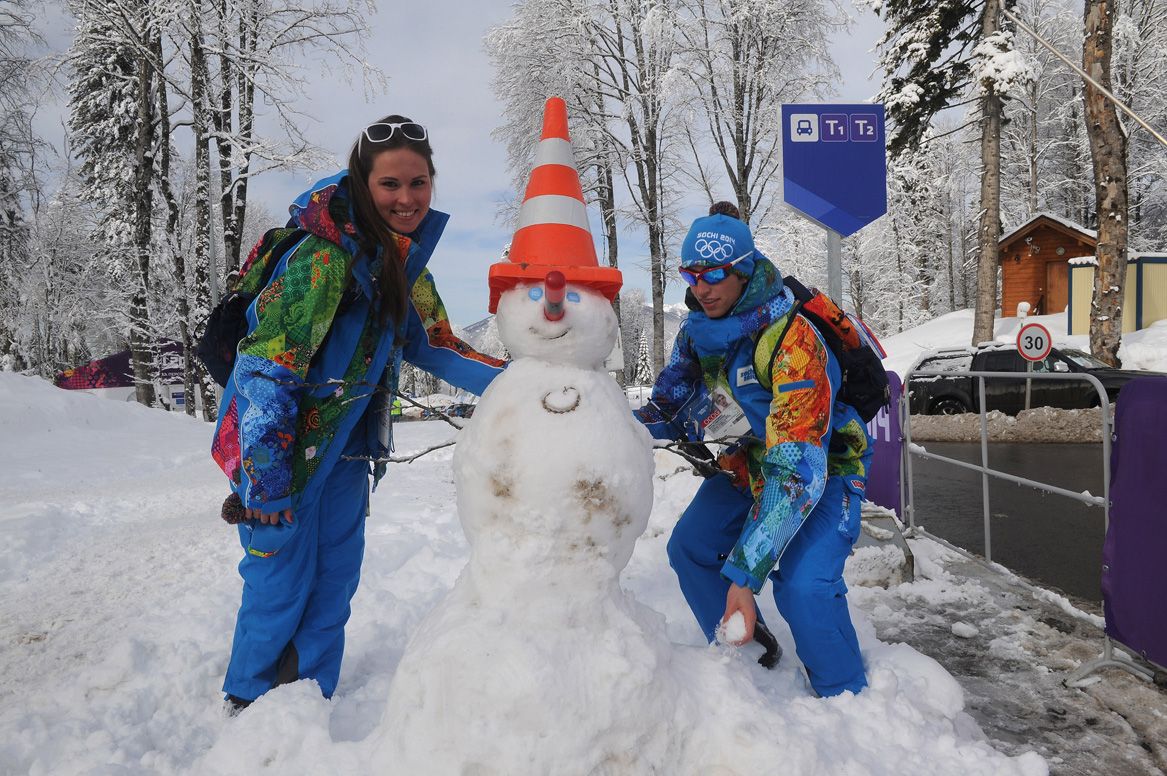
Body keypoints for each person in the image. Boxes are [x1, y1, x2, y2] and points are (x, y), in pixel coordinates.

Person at [210, 116, 506, 710]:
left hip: (345, 449)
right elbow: (270, 368)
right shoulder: (324, 258)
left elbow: (437, 344)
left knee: (336, 577)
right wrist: (265, 485)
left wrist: (524, 383)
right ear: (362, 182)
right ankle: (247, 704)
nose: (407, 198)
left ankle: (309, 697)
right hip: (282, 455)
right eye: (390, 185)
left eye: (418, 183)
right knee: (278, 581)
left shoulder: (401, 260)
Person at [636, 204, 872, 698]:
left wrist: (744, 576)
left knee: (803, 584)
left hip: (824, 467)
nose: (702, 288)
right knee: (690, 548)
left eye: (715, 274)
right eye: (692, 274)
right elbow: (668, 404)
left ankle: (846, 696)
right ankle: (752, 665)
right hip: (756, 460)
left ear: (743, 270)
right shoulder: (699, 331)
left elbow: (798, 472)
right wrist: (610, 425)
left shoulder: (792, 339)